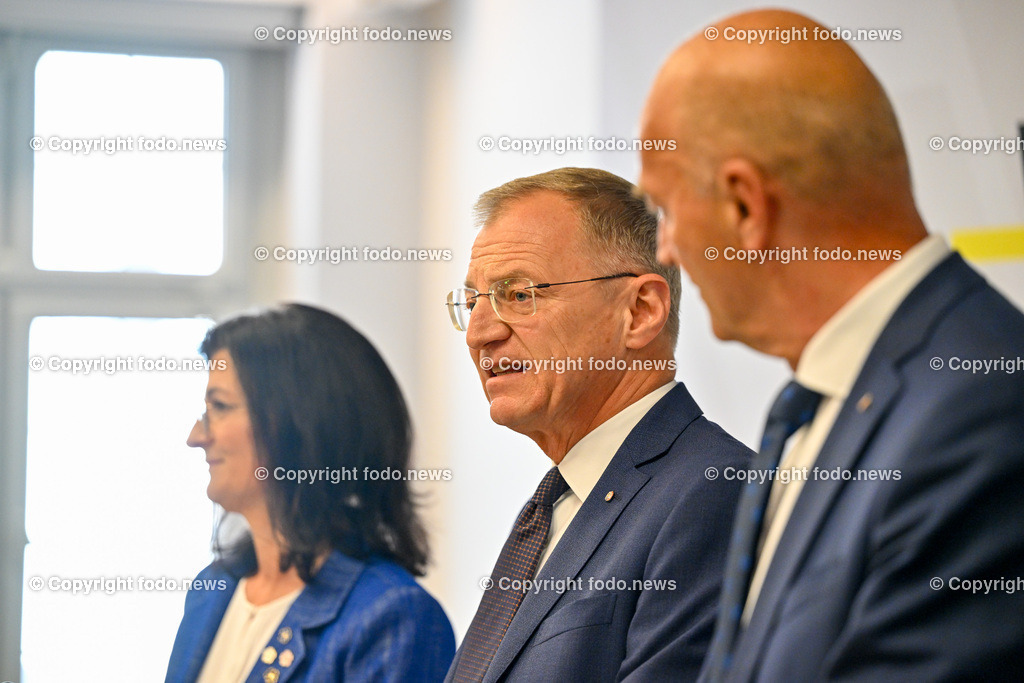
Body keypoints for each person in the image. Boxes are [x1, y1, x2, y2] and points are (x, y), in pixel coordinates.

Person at [639, 8, 1024, 681]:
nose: (667, 248)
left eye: (666, 211)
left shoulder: (981, 414)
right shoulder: (814, 409)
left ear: (744, 206)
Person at [443, 167, 752, 682]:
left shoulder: (715, 493)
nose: (479, 333)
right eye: (473, 301)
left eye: (518, 295)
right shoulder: (556, 504)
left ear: (640, 311)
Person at [166, 303, 455, 682]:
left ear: (300, 424)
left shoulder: (393, 618)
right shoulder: (212, 589)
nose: (196, 437)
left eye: (219, 407)